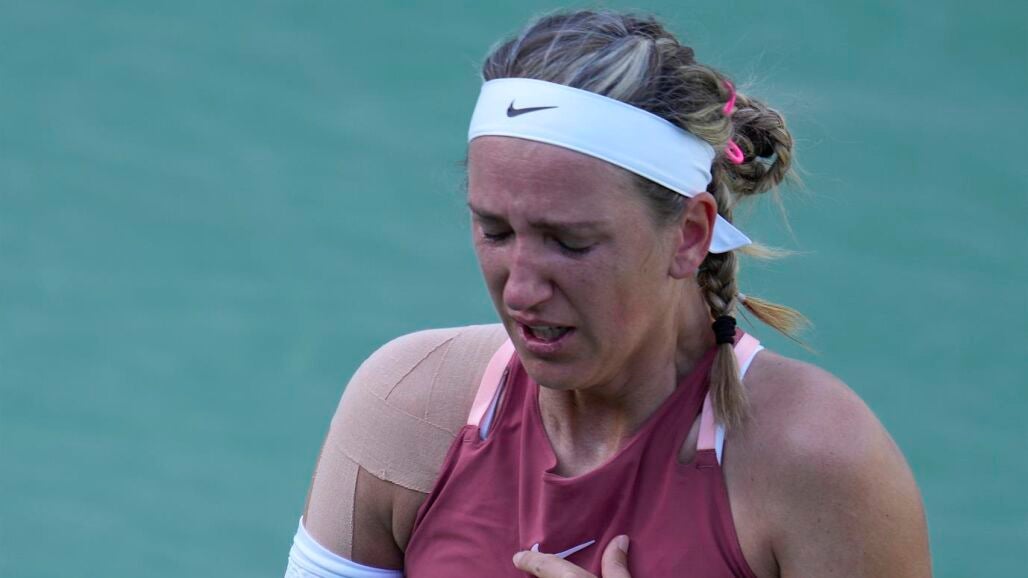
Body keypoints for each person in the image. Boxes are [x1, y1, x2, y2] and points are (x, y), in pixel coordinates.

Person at [284, 10, 931, 578]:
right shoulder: (407, 408)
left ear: (689, 234)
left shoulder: (820, 465)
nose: (522, 289)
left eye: (570, 243)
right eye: (495, 231)